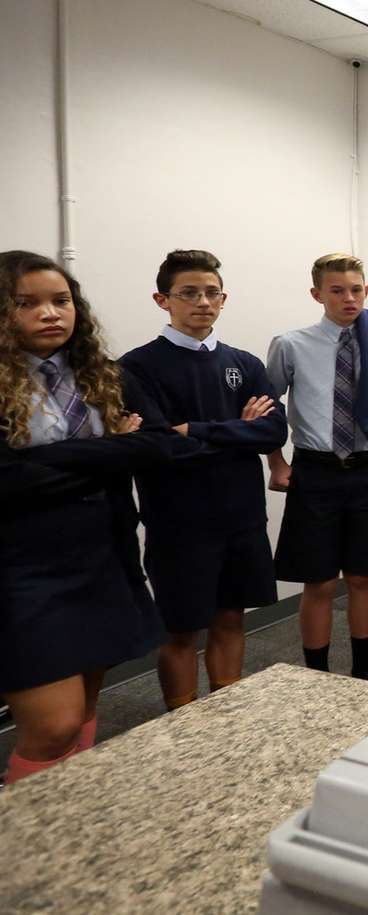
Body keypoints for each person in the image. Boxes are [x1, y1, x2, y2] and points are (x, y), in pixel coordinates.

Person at [0, 251, 173, 784]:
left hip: (104, 555)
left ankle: (69, 815)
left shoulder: (103, 374)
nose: (50, 313)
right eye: (27, 303)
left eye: (61, 300)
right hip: (22, 569)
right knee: (54, 724)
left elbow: (160, 446)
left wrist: (44, 464)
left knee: (85, 707)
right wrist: (113, 451)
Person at [121, 250, 287, 710]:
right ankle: (182, 721)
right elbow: (159, 446)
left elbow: (274, 431)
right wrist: (240, 430)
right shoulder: (137, 367)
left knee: (231, 618)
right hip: (179, 523)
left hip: (242, 517)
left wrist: (195, 429)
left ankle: (223, 718)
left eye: (212, 293)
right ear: (163, 300)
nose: (202, 302)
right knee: (179, 629)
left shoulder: (245, 363)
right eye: (189, 293)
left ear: (223, 298)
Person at [265, 253, 368, 682]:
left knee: (363, 577)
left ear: (367, 290)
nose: (349, 298)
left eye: (356, 289)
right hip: (316, 471)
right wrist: (277, 462)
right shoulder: (290, 345)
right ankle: (317, 675)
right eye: (337, 290)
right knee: (320, 582)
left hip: (367, 467)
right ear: (317, 294)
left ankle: (364, 670)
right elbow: (267, 410)